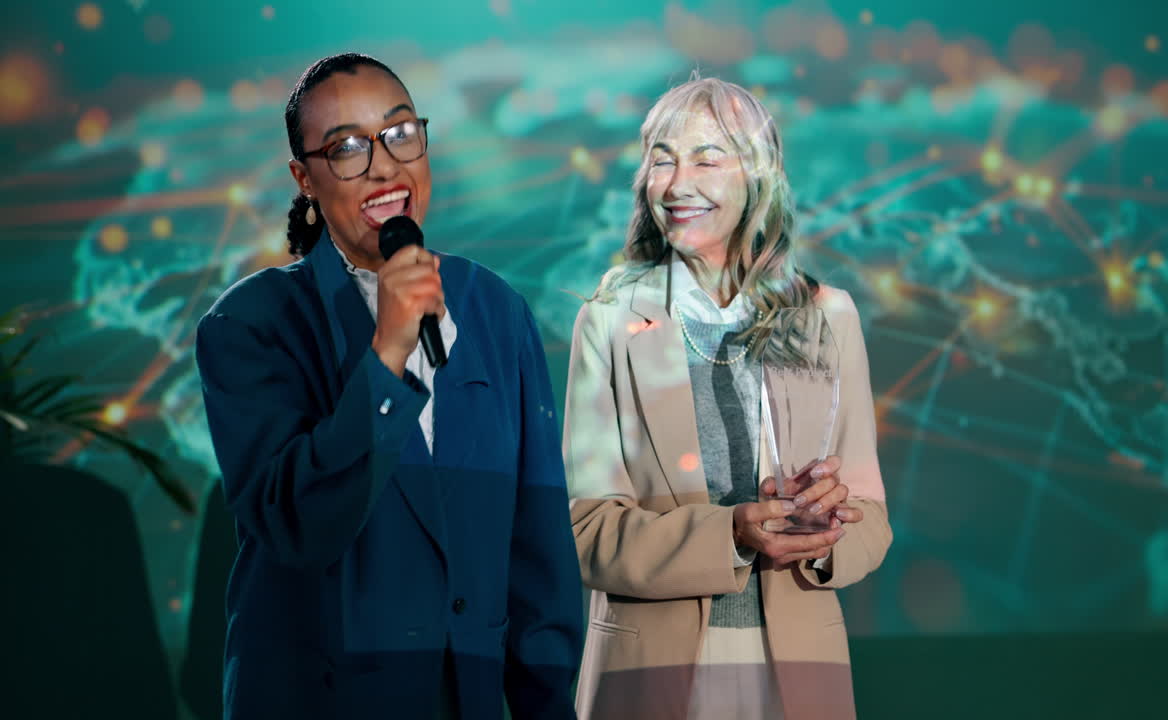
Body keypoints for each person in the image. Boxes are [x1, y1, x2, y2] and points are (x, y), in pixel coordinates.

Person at [195, 53, 583, 719]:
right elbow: (299, 526)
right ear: (304, 178)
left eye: (401, 133)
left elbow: (537, 544)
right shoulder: (250, 323)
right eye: (346, 147)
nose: (383, 165)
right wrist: (388, 353)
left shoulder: (495, 310)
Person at [562, 76, 893, 719]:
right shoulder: (608, 322)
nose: (679, 182)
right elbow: (584, 531)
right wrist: (733, 534)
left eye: (707, 156)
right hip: (649, 674)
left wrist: (827, 530)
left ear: (759, 175)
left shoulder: (829, 317)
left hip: (798, 675)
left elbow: (872, 521)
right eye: (662, 157)